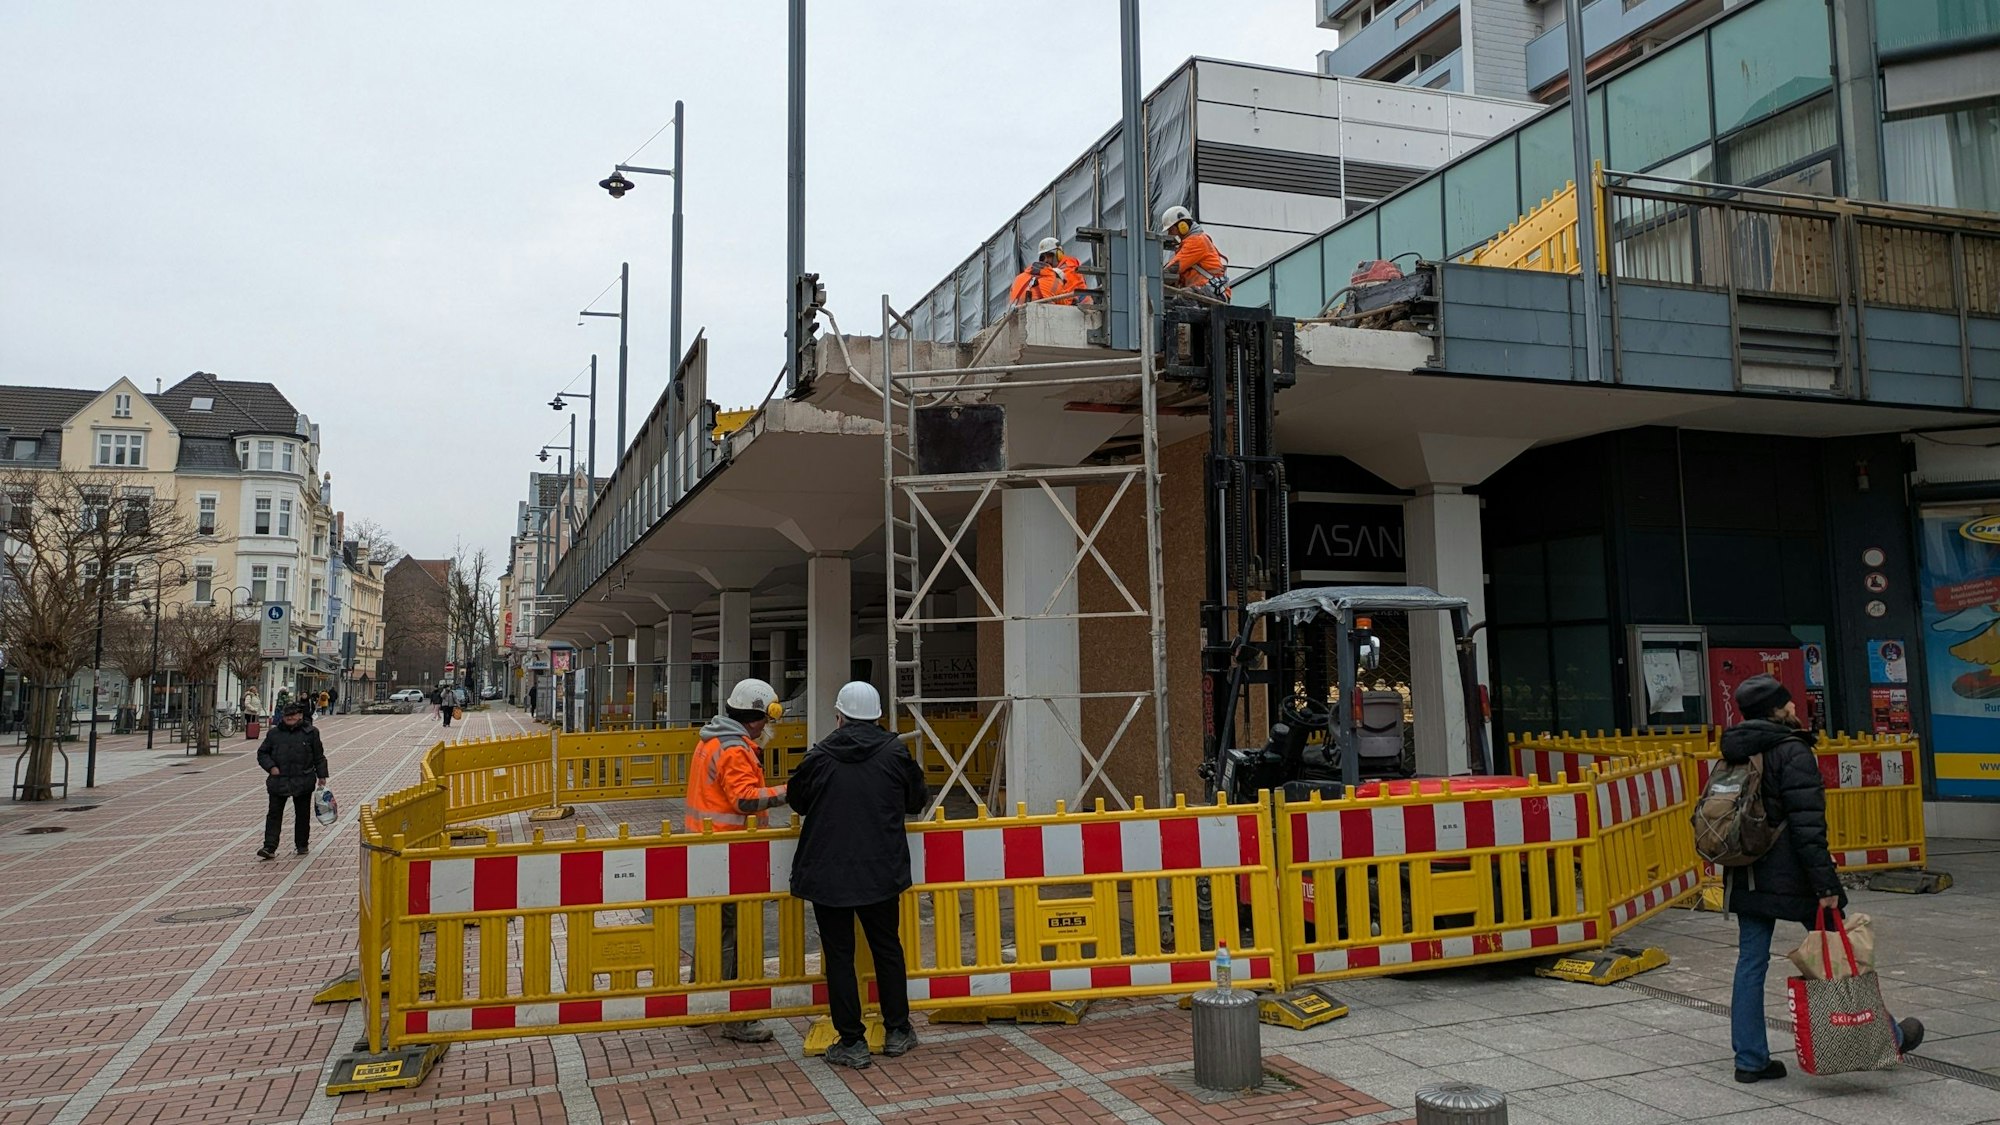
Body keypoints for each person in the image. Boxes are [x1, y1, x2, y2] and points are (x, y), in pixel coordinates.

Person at [1723, 674, 1923, 1082]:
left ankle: (1750, 1060)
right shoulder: (1792, 750)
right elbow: (1807, 828)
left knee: (1750, 963)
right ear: (1777, 710)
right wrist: (1827, 886)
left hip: (1746, 873)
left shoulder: (1734, 751)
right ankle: (1888, 1035)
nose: (1796, 707)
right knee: (1842, 952)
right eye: (1789, 702)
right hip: (1796, 878)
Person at [788, 682, 928, 1069]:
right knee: (887, 948)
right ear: (878, 717)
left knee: (839, 956)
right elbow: (917, 799)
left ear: (839, 717)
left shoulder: (819, 757)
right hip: (881, 871)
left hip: (828, 874)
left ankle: (851, 1041)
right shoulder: (895, 753)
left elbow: (798, 798)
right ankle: (899, 1030)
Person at [687, 677, 790, 1043]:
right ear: (756, 716)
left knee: (713, 926)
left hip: (706, 846)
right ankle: (736, 1016)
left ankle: (698, 1005)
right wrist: (787, 792)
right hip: (727, 852)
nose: (769, 727)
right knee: (734, 930)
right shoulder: (734, 749)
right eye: (767, 719)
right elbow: (744, 800)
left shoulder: (712, 739)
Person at [256, 701, 328, 860]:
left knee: (302, 814)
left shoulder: (311, 733)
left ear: (300, 716)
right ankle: (269, 846)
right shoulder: (274, 734)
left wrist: (322, 776)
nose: (290, 718)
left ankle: (302, 844)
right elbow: (262, 753)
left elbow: (319, 756)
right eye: (287, 715)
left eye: (293, 715)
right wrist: (271, 767)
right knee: (274, 814)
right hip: (278, 780)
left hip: (303, 778)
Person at [1160, 205, 1230, 299]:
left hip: (1213, 293)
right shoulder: (1191, 242)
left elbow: (1173, 268)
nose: (1170, 234)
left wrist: (1155, 278)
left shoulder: (1196, 241)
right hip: (1205, 291)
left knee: (1183, 296)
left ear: (1182, 226)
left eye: (1171, 229)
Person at [1008, 241, 1063, 306]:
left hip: (1015, 314)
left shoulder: (1018, 278)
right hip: (1039, 315)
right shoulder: (1053, 280)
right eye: (1059, 255)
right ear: (1047, 257)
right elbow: (1064, 304)